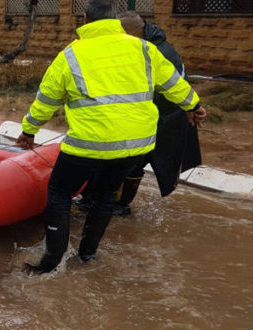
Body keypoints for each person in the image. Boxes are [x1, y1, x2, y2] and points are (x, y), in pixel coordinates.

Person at [17, 0, 207, 274]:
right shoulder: (143, 49)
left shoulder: (70, 55)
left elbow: (46, 100)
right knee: (106, 195)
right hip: (134, 145)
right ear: (115, 20)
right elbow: (173, 83)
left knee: (58, 193)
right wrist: (194, 105)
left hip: (89, 145)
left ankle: (51, 262)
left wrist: (28, 131)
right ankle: (88, 255)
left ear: (85, 20)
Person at [76, 11, 200, 216]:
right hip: (143, 116)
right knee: (127, 160)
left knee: (133, 161)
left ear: (132, 33)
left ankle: (117, 205)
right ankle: (105, 202)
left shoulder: (159, 53)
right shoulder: (139, 47)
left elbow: (175, 87)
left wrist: (192, 107)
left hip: (163, 118)